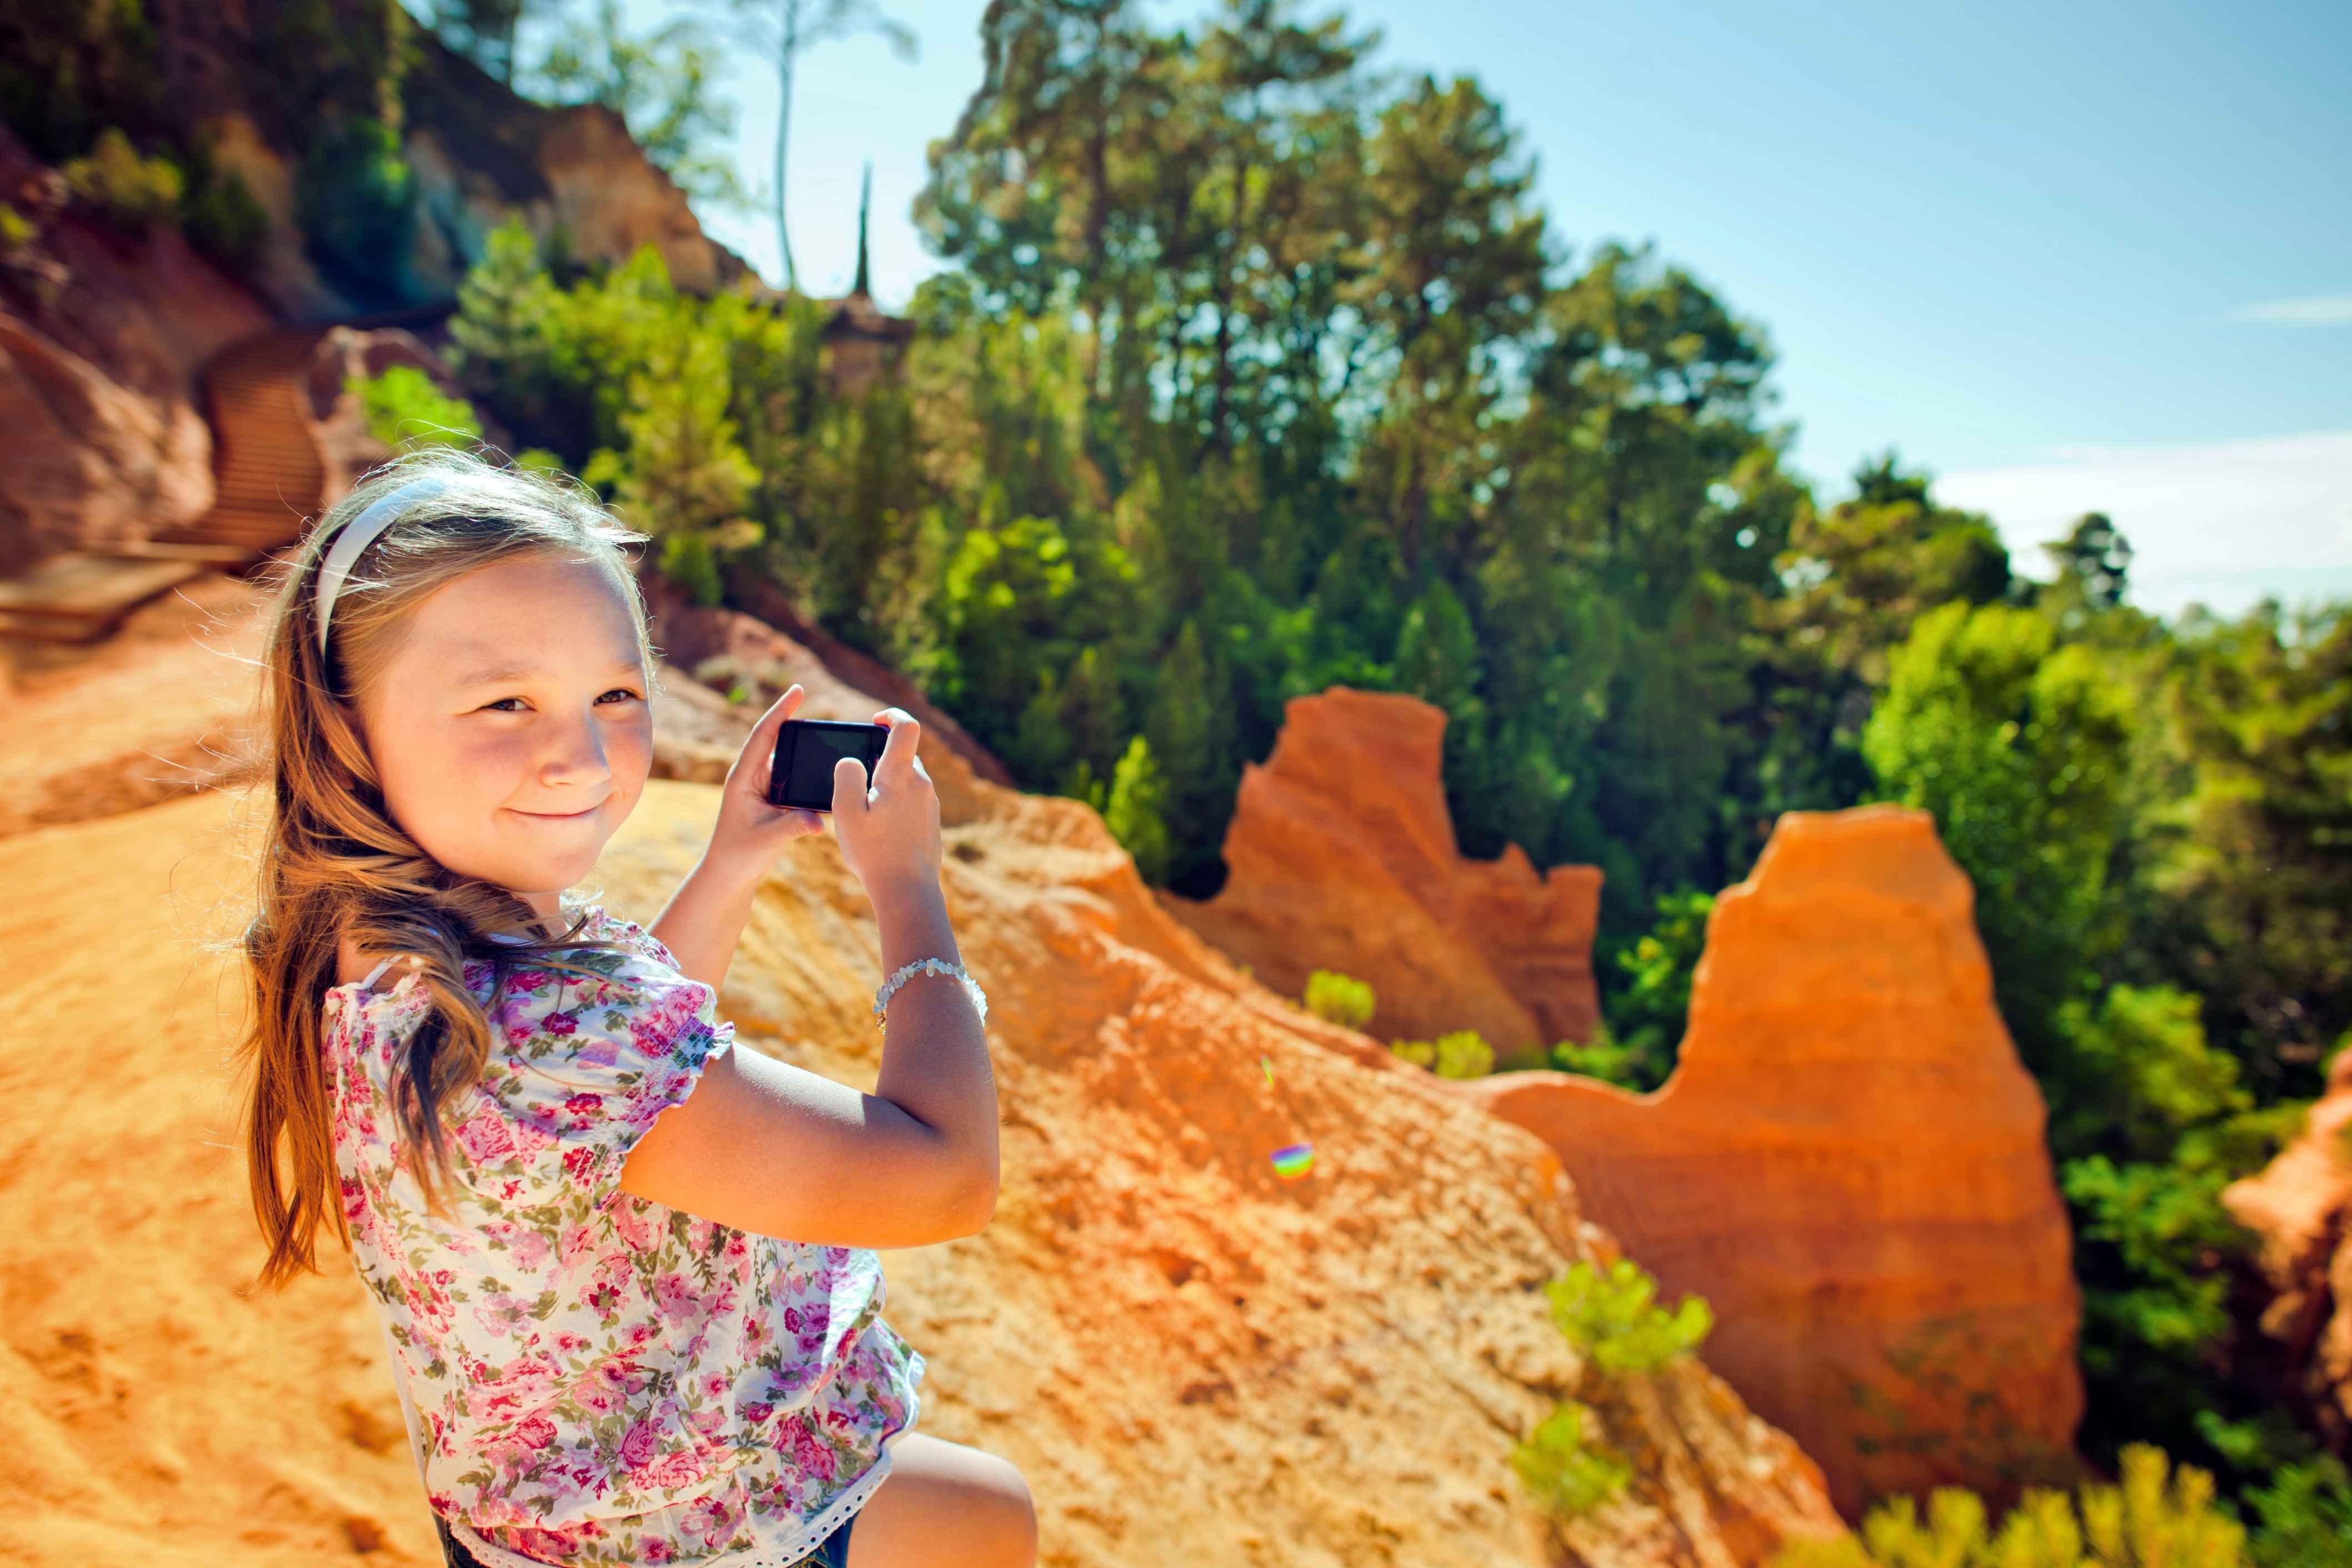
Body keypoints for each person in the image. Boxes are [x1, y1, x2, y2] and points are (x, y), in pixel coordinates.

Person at [231, 448, 1036, 1568]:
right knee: (989, 1515)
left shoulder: (377, 954)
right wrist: (908, 887)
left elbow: (603, 1111)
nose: (580, 754)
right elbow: (948, 1175)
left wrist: (731, 862)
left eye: (614, 693)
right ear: (346, 725)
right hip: (698, 1533)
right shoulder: (561, 1040)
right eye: (504, 701)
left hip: (533, 1531)